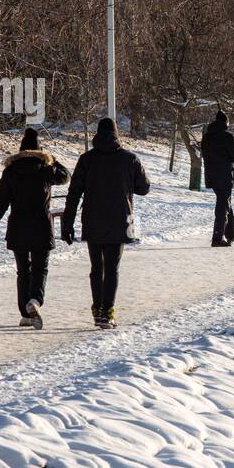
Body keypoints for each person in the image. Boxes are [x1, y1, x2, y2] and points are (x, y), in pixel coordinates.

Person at [62, 117, 150, 329]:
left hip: (93, 220)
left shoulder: (87, 159)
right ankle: (107, 313)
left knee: (96, 267)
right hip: (120, 220)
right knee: (112, 268)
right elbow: (144, 188)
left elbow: (74, 193)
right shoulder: (130, 159)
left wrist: (67, 224)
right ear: (116, 135)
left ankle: (97, 309)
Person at [0, 127, 70, 329]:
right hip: (41, 226)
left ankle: (25, 314)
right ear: (40, 150)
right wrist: (53, 160)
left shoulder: (11, 172)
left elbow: (1, 204)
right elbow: (66, 176)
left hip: (18, 228)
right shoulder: (46, 169)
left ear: (21, 150)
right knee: (40, 268)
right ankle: (35, 301)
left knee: (23, 271)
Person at [201, 108, 234, 247]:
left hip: (211, 176)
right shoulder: (227, 136)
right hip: (225, 176)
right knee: (223, 204)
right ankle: (217, 237)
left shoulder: (206, 137)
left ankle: (230, 235)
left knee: (226, 202)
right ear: (225, 122)